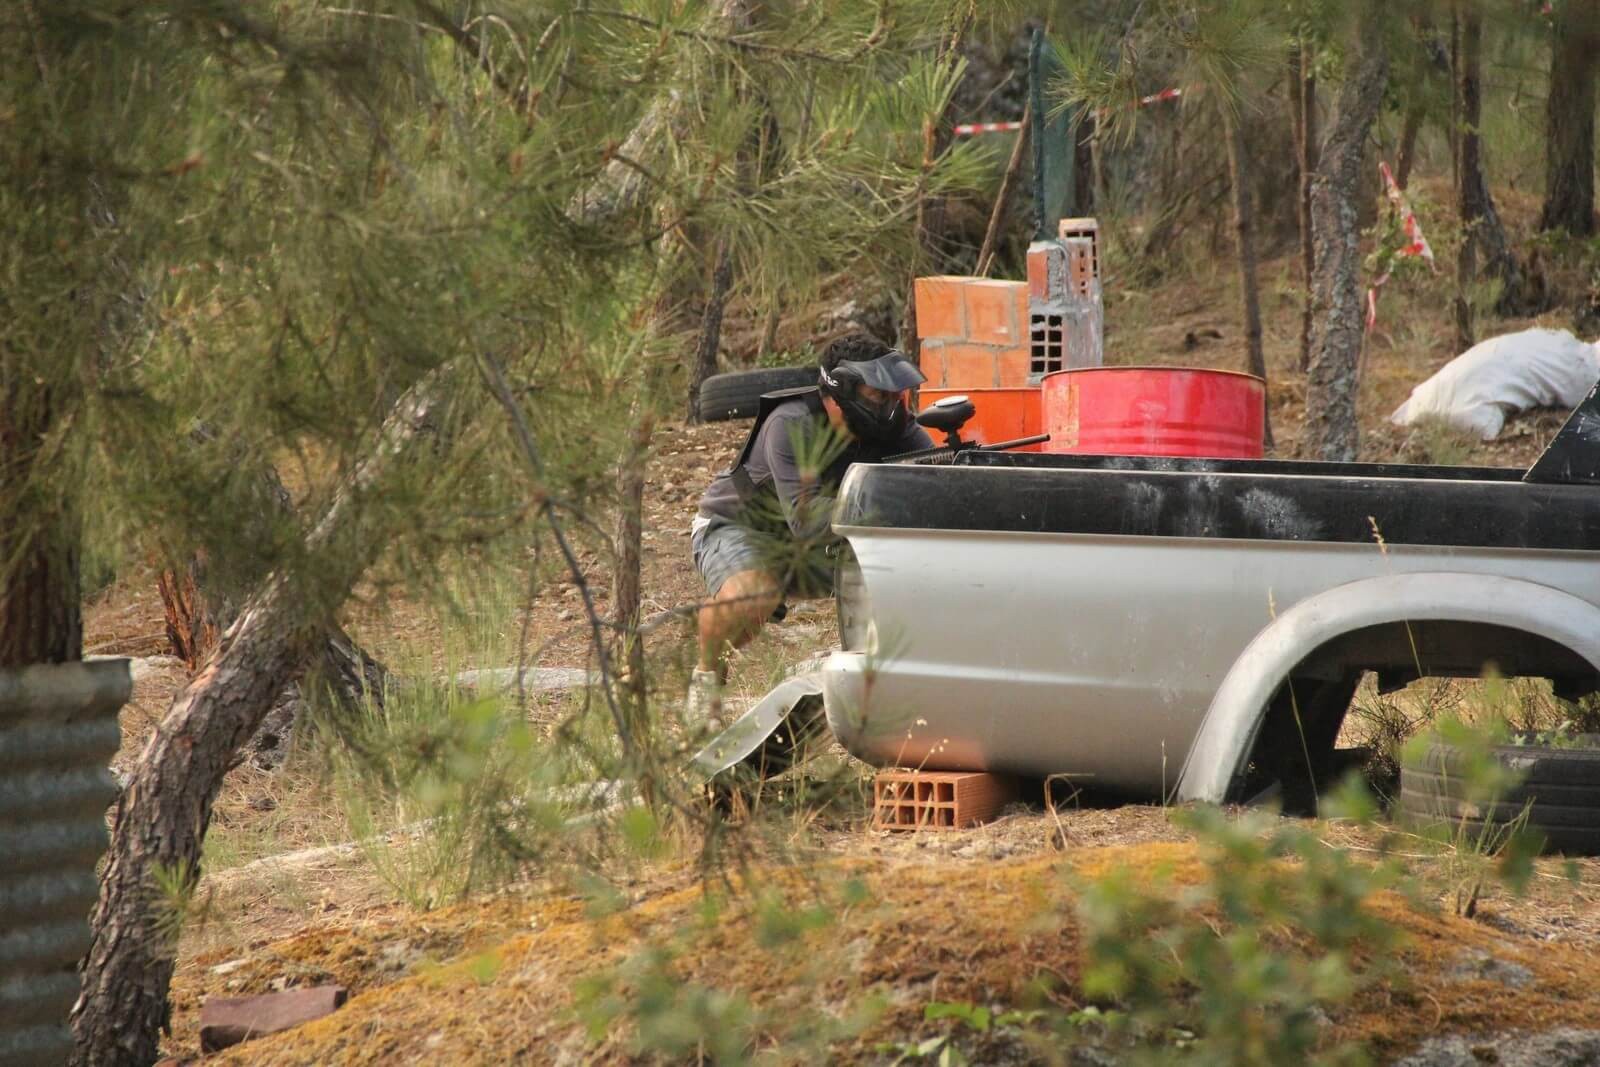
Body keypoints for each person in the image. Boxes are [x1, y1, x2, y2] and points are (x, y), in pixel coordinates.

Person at [686, 334, 932, 723]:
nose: (890, 407)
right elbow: (806, 518)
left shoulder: (897, 426)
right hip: (740, 527)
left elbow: (935, 479)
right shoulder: (791, 424)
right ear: (841, 394)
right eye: (878, 396)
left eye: (894, 397)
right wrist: (891, 501)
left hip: (827, 541)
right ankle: (705, 683)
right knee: (753, 597)